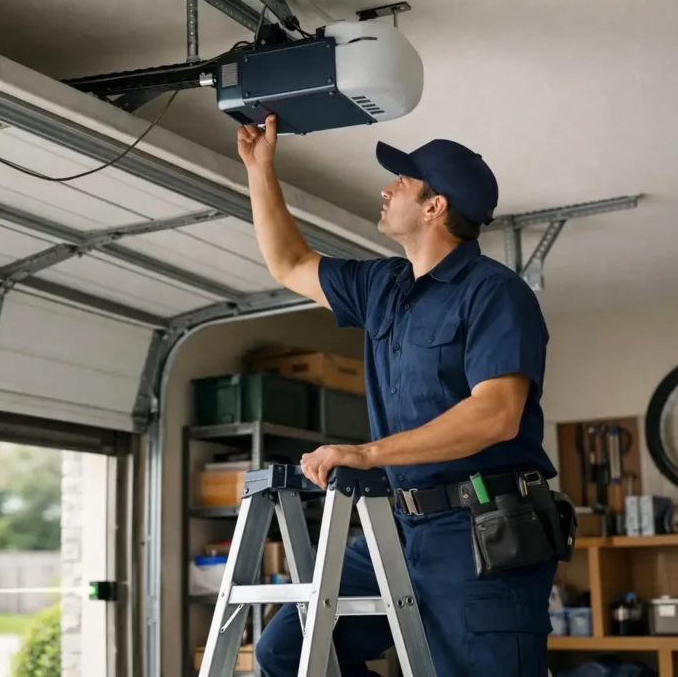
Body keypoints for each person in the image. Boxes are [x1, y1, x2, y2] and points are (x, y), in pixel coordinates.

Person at [236, 114, 560, 677]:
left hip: (480, 533)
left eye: (403, 182)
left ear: (435, 207)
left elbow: (496, 415)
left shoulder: (496, 294)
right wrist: (260, 167)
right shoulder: (383, 286)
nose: (387, 189)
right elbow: (290, 264)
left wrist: (367, 454)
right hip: (398, 528)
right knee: (287, 651)